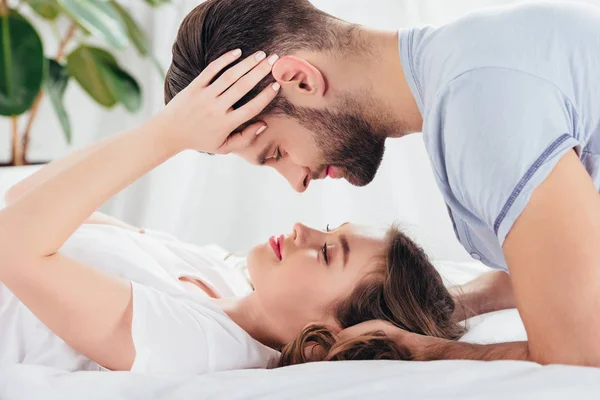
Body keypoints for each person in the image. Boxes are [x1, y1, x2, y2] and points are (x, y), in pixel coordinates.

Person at [164, 0, 600, 367]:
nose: (296, 182)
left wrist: (424, 348)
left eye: (276, 152)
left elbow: (578, 356)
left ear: (301, 80)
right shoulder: (469, 69)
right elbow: (546, 274)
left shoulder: (479, 107)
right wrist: (434, 303)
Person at [0, 51, 465, 376]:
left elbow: (14, 247)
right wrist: (165, 130)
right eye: (326, 231)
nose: (301, 228)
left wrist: (168, 137)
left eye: (326, 254)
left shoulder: (203, 346)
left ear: (328, 338)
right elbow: (25, 197)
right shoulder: (222, 278)